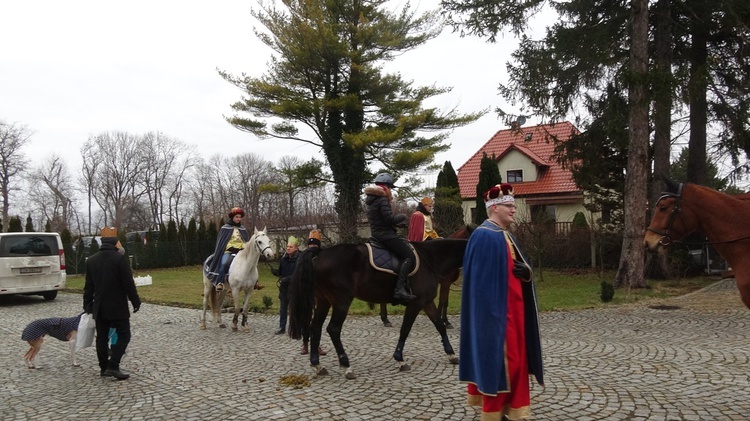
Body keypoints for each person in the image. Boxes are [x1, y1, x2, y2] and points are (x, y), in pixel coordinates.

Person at [458, 183, 544, 420]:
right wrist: (491, 321)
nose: (513, 210)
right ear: (494, 208)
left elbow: (520, 271)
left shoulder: (505, 235)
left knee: (517, 364)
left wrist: (526, 273)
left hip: (514, 314)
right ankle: (495, 413)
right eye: (508, 206)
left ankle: (511, 409)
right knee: (503, 365)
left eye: (513, 206)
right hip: (498, 318)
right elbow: (480, 287)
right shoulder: (484, 236)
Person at [83, 227, 141, 380]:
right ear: (115, 244)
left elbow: (88, 286)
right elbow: (128, 284)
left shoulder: (92, 260)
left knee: (101, 338)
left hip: (100, 306)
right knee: (124, 335)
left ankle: (103, 368)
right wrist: (135, 301)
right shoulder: (119, 259)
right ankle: (113, 365)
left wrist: (87, 305)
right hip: (117, 306)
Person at [364, 173, 415, 303]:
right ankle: (399, 289)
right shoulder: (382, 200)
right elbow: (388, 219)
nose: (391, 190)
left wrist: (398, 224)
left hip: (377, 234)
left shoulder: (371, 200)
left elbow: (381, 220)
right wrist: (402, 216)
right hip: (385, 236)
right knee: (409, 255)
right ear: (386, 187)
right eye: (390, 188)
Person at [206, 207, 250, 292]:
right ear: (232, 217)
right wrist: (230, 247)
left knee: (250, 263)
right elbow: (222, 242)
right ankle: (220, 283)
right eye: (237, 217)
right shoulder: (225, 228)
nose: (238, 219)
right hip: (229, 251)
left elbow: (245, 241)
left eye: (240, 217)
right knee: (224, 263)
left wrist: (244, 247)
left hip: (241, 252)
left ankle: (254, 282)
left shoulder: (242, 229)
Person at [299, 229, 327, 356]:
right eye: (310, 244)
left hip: (319, 292)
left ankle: (316, 344)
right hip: (306, 291)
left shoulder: (323, 256)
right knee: (306, 319)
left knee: (317, 321)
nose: (312, 246)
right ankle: (305, 343)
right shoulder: (304, 256)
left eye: (314, 244)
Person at [271, 236, 300, 335]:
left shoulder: (299, 259)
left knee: (294, 309)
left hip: (295, 288)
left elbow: (298, 274)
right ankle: (282, 327)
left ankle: (295, 327)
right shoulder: (284, 259)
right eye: (287, 247)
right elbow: (281, 272)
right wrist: (275, 272)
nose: (288, 248)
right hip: (284, 289)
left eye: (290, 247)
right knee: (283, 308)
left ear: (296, 248)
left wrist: (287, 279)